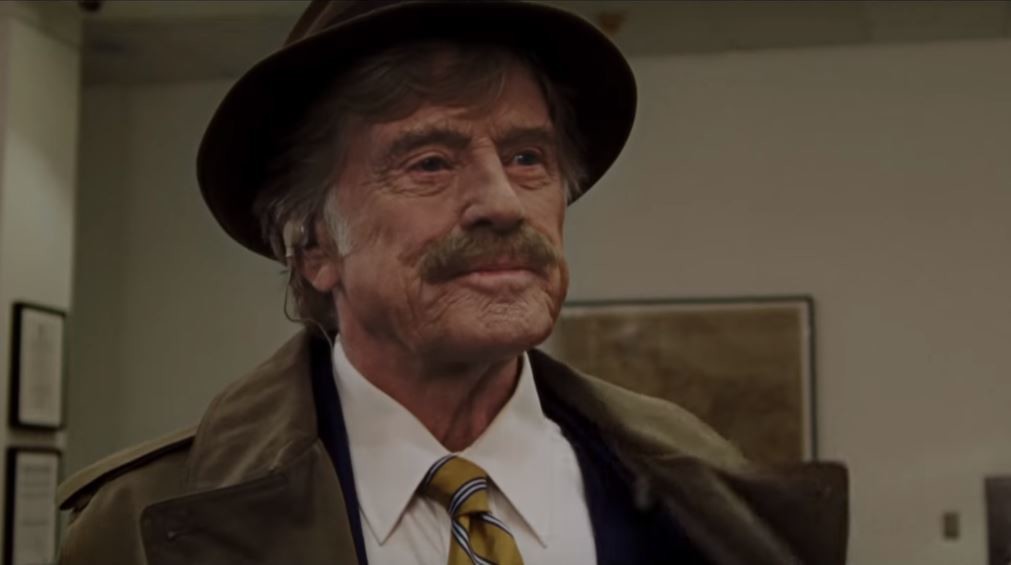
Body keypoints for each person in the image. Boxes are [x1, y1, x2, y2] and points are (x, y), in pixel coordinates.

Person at [57, 2, 848, 564]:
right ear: (312, 244)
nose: (502, 202)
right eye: (429, 163)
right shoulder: (148, 525)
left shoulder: (703, 498)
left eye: (528, 158)